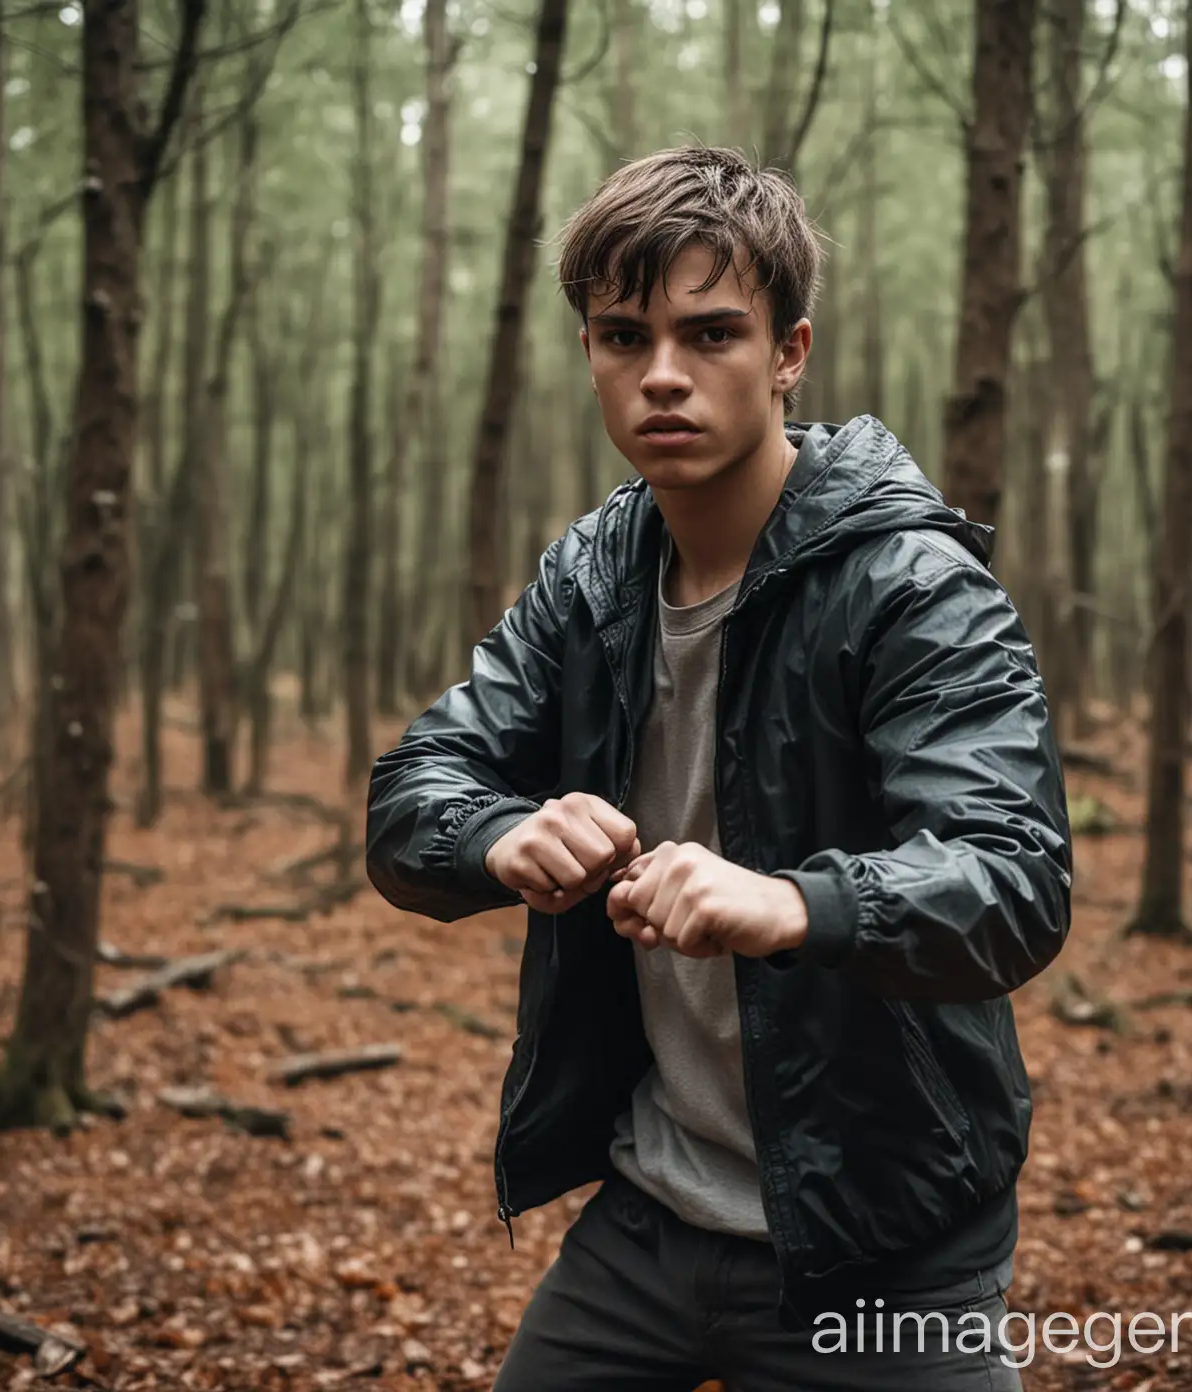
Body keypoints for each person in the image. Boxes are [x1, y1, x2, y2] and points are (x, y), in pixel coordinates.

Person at [365, 144, 1071, 1391]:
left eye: (711, 334)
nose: (663, 377)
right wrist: (496, 837)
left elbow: (1012, 880)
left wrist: (799, 902)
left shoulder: (913, 588)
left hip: (886, 1237)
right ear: (587, 351)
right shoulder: (591, 581)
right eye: (622, 337)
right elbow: (418, 786)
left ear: (790, 352)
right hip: (647, 1217)